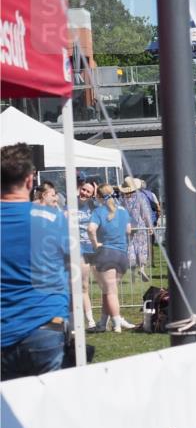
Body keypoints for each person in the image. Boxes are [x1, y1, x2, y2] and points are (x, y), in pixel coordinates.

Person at [1, 144, 70, 379]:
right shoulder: (52, 219)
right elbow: (73, 264)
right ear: (30, 181)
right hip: (45, 326)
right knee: (47, 410)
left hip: (10, 328)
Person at [87, 185, 134, 332]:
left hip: (106, 253)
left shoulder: (98, 211)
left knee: (110, 292)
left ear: (99, 197)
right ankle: (102, 323)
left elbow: (90, 229)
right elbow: (128, 230)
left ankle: (117, 324)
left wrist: (95, 244)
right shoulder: (123, 211)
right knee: (108, 291)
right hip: (122, 255)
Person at [75, 180, 100, 330]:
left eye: (88, 192)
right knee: (83, 286)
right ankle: (90, 320)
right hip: (80, 251)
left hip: (95, 250)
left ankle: (109, 319)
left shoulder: (94, 206)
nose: (84, 193)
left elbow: (109, 209)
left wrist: (96, 196)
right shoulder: (69, 204)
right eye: (83, 189)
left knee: (107, 286)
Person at [120, 176, 153, 282]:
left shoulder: (122, 199)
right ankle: (142, 268)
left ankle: (133, 272)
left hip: (128, 226)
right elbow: (146, 213)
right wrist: (150, 226)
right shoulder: (141, 197)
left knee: (131, 247)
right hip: (140, 226)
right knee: (142, 247)